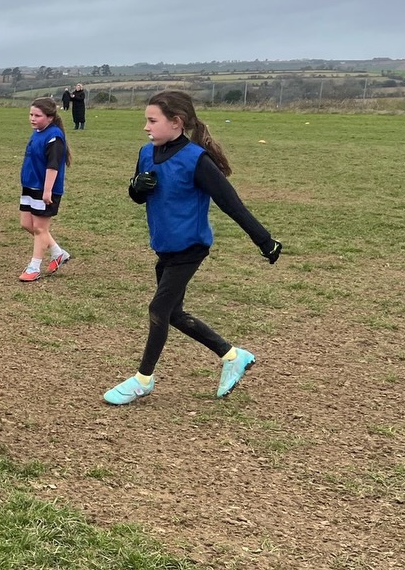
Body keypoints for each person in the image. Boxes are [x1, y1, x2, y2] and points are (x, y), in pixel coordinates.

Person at [103, 90, 282, 407]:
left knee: (159, 310)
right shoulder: (146, 152)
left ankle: (143, 380)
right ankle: (233, 356)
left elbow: (231, 203)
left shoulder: (196, 160)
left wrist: (264, 240)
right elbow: (139, 196)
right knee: (173, 314)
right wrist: (135, 188)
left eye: (152, 120)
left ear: (176, 122)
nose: (146, 127)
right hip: (165, 248)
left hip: (190, 248)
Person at [18, 98, 72, 282]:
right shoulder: (37, 133)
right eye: (31, 114)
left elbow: (53, 166)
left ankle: (34, 267)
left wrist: (47, 191)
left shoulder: (54, 137)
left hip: (45, 189)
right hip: (30, 186)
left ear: (50, 117)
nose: (32, 118)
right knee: (27, 224)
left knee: (40, 228)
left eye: (37, 115)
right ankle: (58, 253)